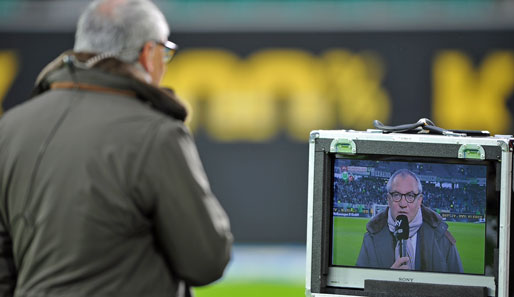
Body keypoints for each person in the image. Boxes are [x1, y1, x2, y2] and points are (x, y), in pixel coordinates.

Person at [0, 0, 233, 296]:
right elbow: (207, 261)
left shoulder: (9, 128)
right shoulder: (156, 134)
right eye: (166, 52)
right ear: (149, 54)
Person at [356, 169, 463, 273]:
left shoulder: (442, 237)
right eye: (396, 195)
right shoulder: (371, 239)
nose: (403, 203)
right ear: (388, 199)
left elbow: (460, 286)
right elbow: (358, 284)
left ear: (420, 200)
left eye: (410, 196)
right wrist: (386, 280)